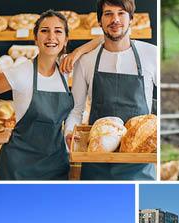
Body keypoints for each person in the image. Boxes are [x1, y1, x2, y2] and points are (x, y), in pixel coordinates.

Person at [0, 11, 99, 180]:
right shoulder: (20, 73)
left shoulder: (65, 69)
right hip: (19, 166)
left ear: (66, 39)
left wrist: (77, 52)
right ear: (36, 38)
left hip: (56, 163)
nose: (51, 37)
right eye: (44, 31)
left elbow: (101, 40)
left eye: (58, 31)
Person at [66, 0, 158, 181]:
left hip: (139, 164)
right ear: (99, 20)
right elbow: (76, 110)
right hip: (96, 163)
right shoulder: (86, 61)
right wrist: (70, 132)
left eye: (121, 13)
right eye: (108, 14)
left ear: (131, 18)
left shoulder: (151, 55)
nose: (115, 19)